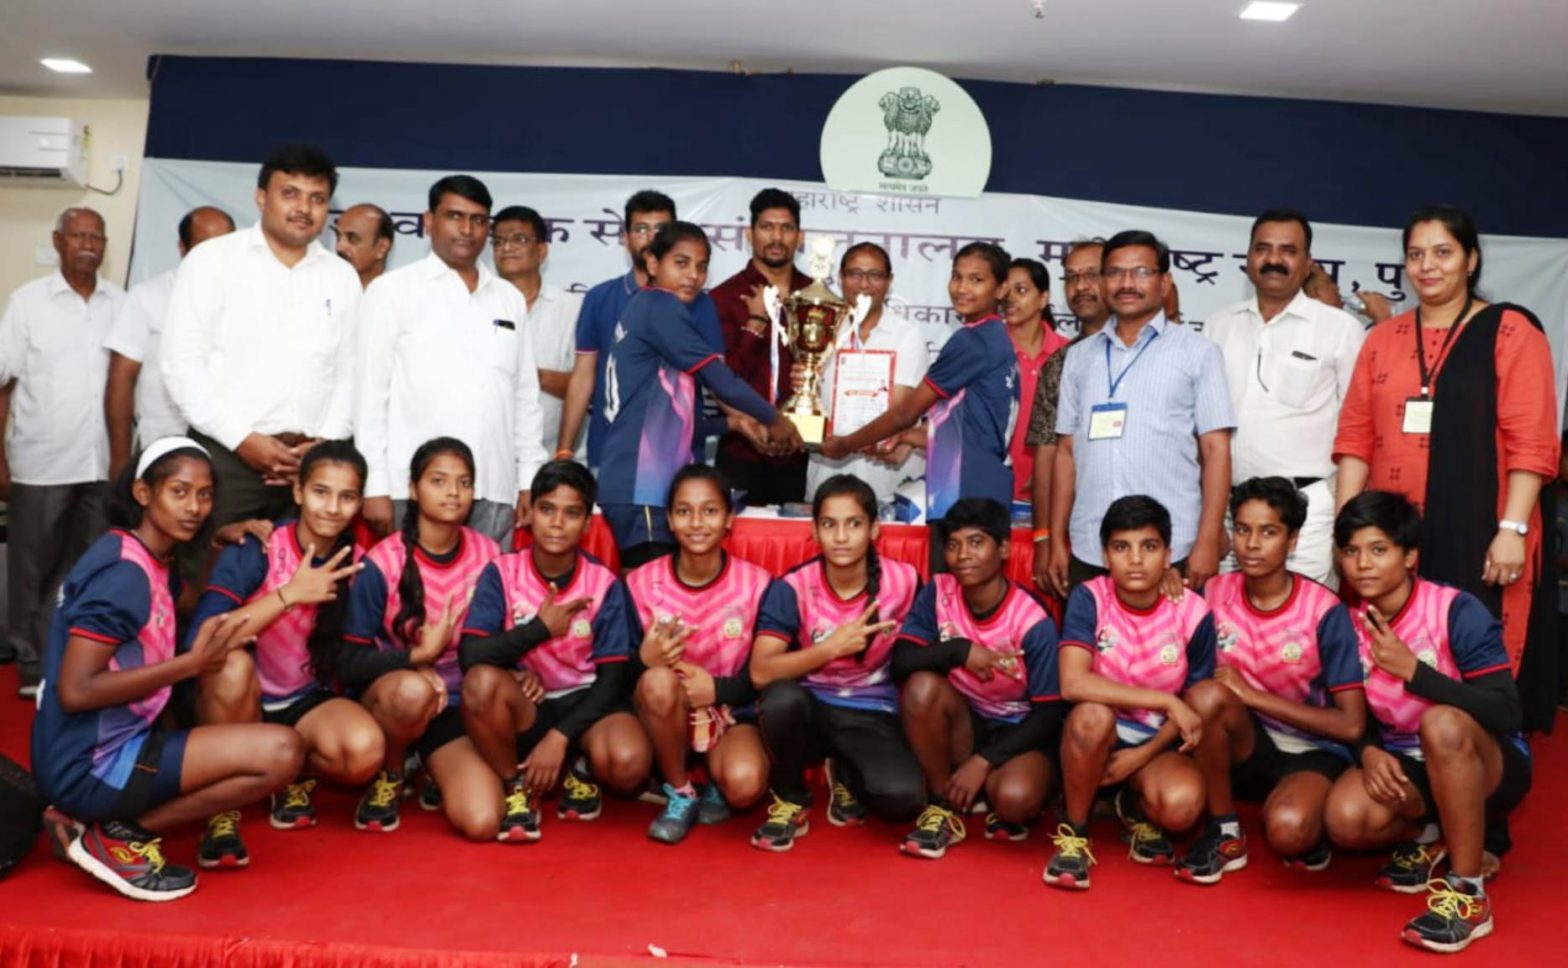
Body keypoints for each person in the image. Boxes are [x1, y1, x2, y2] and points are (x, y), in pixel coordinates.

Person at [29, 438, 303, 901]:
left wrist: (217, 548)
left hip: (114, 740)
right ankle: (118, 835)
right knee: (281, 752)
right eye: (179, 492)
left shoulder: (147, 556)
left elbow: (193, 606)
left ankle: (95, 827)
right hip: (90, 763)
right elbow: (76, 690)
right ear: (143, 493)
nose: (195, 507)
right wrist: (189, 665)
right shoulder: (124, 576)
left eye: (205, 494)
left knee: (244, 723)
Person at [1333, 205, 1559, 730]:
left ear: (1471, 259)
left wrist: (1512, 529)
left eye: (1442, 252)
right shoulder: (1382, 338)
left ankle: (1470, 754)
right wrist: (1348, 531)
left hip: (1482, 526)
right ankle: (1397, 747)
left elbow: (1531, 442)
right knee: (1390, 653)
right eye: (1416, 255)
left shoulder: (1510, 331)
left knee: (1470, 656)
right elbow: (1355, 440)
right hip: (1391, 533)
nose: (1427, 266)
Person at [1323, 492, 1531, 954]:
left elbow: (1506, 711)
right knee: (1345, 819)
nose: (1363, 564)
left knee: (1441, 724)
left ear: (1409, 556)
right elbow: (1351, 714)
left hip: (1487, 759)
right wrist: (1367, 751)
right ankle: (1434, 836)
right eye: (1351, 551)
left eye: (1379, 549)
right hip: (1406, 758)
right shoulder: (1344, 622)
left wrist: (1415, 673)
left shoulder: (1456, 610)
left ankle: (1468, 894)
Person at [181, 441, 382, 866]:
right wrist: (289, 594)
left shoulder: (360, 564)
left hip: (304, 703)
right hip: (237, 700)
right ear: (298, 492)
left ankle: (288, 774)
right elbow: (202, 640)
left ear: (359, 503)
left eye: (347, 496)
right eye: (321, 492)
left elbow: (363, 655)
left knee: (363, 751)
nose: (332, 508)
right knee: (231, 665)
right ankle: (222, 811)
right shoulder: (259, 545)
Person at [160, 145, 361, 553]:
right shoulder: (213, 260)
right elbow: (181, 364)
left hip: (308, 468)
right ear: (261, 197)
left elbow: (351, 373)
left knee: (301, 582)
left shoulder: (342, 277)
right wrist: (243, 440)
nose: (303, 208)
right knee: (211, 580)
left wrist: (324, 445)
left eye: (317, 198)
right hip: (227, 458)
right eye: (290, 194)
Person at [1179, 477, 1367, 884]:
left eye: (1268, 532)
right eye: (1243, 529)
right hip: (1247, 744)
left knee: (1288, 830)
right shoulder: (1212, 593)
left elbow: (1352, 725)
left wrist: (1252, 696)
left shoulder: (1324, 610)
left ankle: (1308, 815)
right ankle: (1224, 830)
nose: (1251, 544)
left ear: (1292, 540)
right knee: (1206, 695)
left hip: (1313, 748)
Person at [458, 460, 652, 841]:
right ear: (530, 514)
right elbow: (471, 655)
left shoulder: (603, 583)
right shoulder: (502, 572)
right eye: (547, 509)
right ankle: (516, 787)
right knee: (480, 684)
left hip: (586, 702)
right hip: (528, 703)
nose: (557, 523)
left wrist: (559, 737)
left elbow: (613, 679)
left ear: (588, 524)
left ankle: (582, 768)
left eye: (572, 513)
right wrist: (539, 630)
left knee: (629, 763)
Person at [354, 175, 547, 546]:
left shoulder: (507, 298)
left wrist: (528, 479)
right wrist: (374, 484)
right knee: (410, 584)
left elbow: (524, 398)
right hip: (410, 489)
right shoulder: (392, 291)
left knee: (488, 584)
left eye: (478, 220)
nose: (467, 230)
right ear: (429, 222)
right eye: (455, 216)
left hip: (494, 486)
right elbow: (369, 396)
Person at [594, 221, 800, 568]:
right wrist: (774, 418)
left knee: (652, 592)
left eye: (702, 266)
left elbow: (675, 423)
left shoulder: (648, 308)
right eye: (681, 263)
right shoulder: (660, 306)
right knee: (649, 591)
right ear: (653, 263)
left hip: (640, 483)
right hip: (642, 484)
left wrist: (732, 424)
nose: (693, 275)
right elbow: (719, 377)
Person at [1045, 230, 1235, 600]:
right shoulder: (1079, 358)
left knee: (1171, 640)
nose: (1127, 283)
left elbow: (1217, 451)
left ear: (1164, 282)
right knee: (1090, 638)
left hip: (1171, 548)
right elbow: (1065, 452)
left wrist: (1208, 538)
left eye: (1141, 272)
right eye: (1115, 272)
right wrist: (1055, 540)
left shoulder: (1198, 353)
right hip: (1091, 545)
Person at [1045, 495, 1218, 890]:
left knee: (1182, 808)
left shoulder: (1194, 612)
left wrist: (1141, 755)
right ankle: (1075, 833)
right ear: (1105, 556)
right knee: (1091, 716)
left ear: (1168, 555)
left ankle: (1131, 805)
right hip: (1098, 732)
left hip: (1157, 739)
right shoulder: (1089, 598)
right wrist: (1165, 700)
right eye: (1122, 547)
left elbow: (1193, 708)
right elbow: (1072, 683)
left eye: (1149, 547)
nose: (1136, 560)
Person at [749, 474, 924, 851]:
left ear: (874, 529)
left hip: (872, 711)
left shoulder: (905, 581)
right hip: (809, 710)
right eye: (829, 524)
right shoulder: (793, 586)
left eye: (854, 524)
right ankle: (792, 796)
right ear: (814, 531)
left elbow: (924, 653)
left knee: (902, 801)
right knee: (779, 699)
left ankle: (845, 768)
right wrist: (830, 648)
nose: (841, 537)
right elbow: (761, 671)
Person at [339, 437, 502, 839]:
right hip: (393, 699)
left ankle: (428, 766)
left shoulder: (490, 555)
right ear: (413, 490)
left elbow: (502, 635)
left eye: (464, 482)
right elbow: (349, 662)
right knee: (413, 693)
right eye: (438, 481)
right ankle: (392, 772)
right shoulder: (382, 562)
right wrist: (417, 659)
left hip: (455, 705)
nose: (453, 492)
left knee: (483, 821)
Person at [607, 464, 773, 845]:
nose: (697, 523)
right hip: (661, 712)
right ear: (668, 520)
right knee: (658, 681)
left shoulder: (759, 585)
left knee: (744, 785)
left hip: (731, 712)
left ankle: (716, 780)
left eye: (710, 511)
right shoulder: (639, 584)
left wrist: (718, 690)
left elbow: (775, 674)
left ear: (729, 519)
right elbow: (612, 674)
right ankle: (680, 790)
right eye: (684, 511)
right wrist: (643, 662)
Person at [890, 497, 1063, 860]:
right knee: (921, 688)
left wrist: (983, 761)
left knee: (1015, 800)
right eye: (954, 545)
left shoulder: (1032, 620)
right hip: (965, 723)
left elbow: (1049, 713)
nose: (963, 555)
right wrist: (958, 650)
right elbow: (901, 663)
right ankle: (942, 807)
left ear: (1003, 549)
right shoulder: (939, 591)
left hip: (1021, 732)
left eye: (975, 542)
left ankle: (992, 789)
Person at [1204, 210, 1365, 587]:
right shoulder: (1217, 325)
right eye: (1263, 249)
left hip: (1306, 514)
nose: (1273, 259)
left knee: (1302, 619)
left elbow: (1358, 431)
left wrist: (1345, 524)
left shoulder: (1340, 329)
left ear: (1308, 264)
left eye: (1288, 251)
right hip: (1231, 512)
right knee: (1228, 618)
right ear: (1248, 258)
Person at [0, 206, 123, 698]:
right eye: (78, 235)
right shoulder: (28, 303)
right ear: (58, 241)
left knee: (91, 569)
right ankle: (32, 667)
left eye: (96, 236)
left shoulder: (121, 303)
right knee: (33, 571)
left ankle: (77, 662)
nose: (88, 244)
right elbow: (3, 383)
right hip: (42, 464)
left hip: (102, 464)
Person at [820, 243, 1018, 537]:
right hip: (978, 482)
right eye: (957, 277)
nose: (962, 288)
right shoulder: (995, 335)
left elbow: (905, 414)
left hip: (965, 489)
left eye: (976, 280)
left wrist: (847, 444)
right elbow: (963, 428)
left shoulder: (973, 340)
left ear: (1001, 289)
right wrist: (906, 437)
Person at [557, 191, 726, 470]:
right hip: (611, 453)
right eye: (641, 229)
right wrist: (564, 450)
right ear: (626, 238)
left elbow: (718, 379)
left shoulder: (699, 303)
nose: (651, 238)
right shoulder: (600, 298)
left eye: (660, 229)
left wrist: (748, 420)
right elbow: (583, 377)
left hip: (677, 455)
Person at [105, 206, 236, 479]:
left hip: (229, 448)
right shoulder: (148, 296)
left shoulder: (247, 301)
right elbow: (121, 379)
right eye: (205, 246)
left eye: (225, 246)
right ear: (182, 248)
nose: (217, 255)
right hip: (160, 443)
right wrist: (119, 456)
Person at [710, 188, 814, 506]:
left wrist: (795, 428)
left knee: (795, 538)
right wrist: (755, 425)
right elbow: (718, 376)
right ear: (749, 234)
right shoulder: (723, 297)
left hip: (799, 452)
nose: (777, 237)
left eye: (786, 228)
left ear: (800, 237)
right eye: (767, 227)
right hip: (740, 450)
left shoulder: (816, 297)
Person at [805, 242, 929, 501]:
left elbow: (899, 411)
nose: (864, 284)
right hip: (828, 473)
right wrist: (803, 385)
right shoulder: (821, 333)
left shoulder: (907, 336)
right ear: (840, 278)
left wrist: (846, 443)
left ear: (889, 281)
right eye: (855, 274)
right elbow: (809, 409)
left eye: (874, 275)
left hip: (886, 477)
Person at [1027, 239, 1109, 591]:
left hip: (1152, 536)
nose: (1080, 286)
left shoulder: (1158, 354)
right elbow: (1047, 455)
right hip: (1083, 539)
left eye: (1091, 275)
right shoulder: (1060, 364)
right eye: (1072, 278)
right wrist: (1045, 537)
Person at [491, 205, 585, 459]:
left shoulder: (573, 309)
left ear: (542, 251)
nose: (506, 247)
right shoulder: (477, 306)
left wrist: (531, 376)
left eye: (519, 239)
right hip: (489, 454)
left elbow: (588, 386)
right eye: (498, 241)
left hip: (552, 457)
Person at [1002, 258, 1070, 504]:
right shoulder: (990, 350)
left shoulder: (1069, 353)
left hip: (1053, 487)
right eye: (1005, 291)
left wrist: (1046, 473)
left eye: (1021, 290)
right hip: (994, 486)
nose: (1010, 299)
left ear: (1043, 298)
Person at [333, 203, 394, 289]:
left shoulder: (400, 295)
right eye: (338, 236)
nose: (339, 247)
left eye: (352, 238)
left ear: (382, 248)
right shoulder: (322, 290)